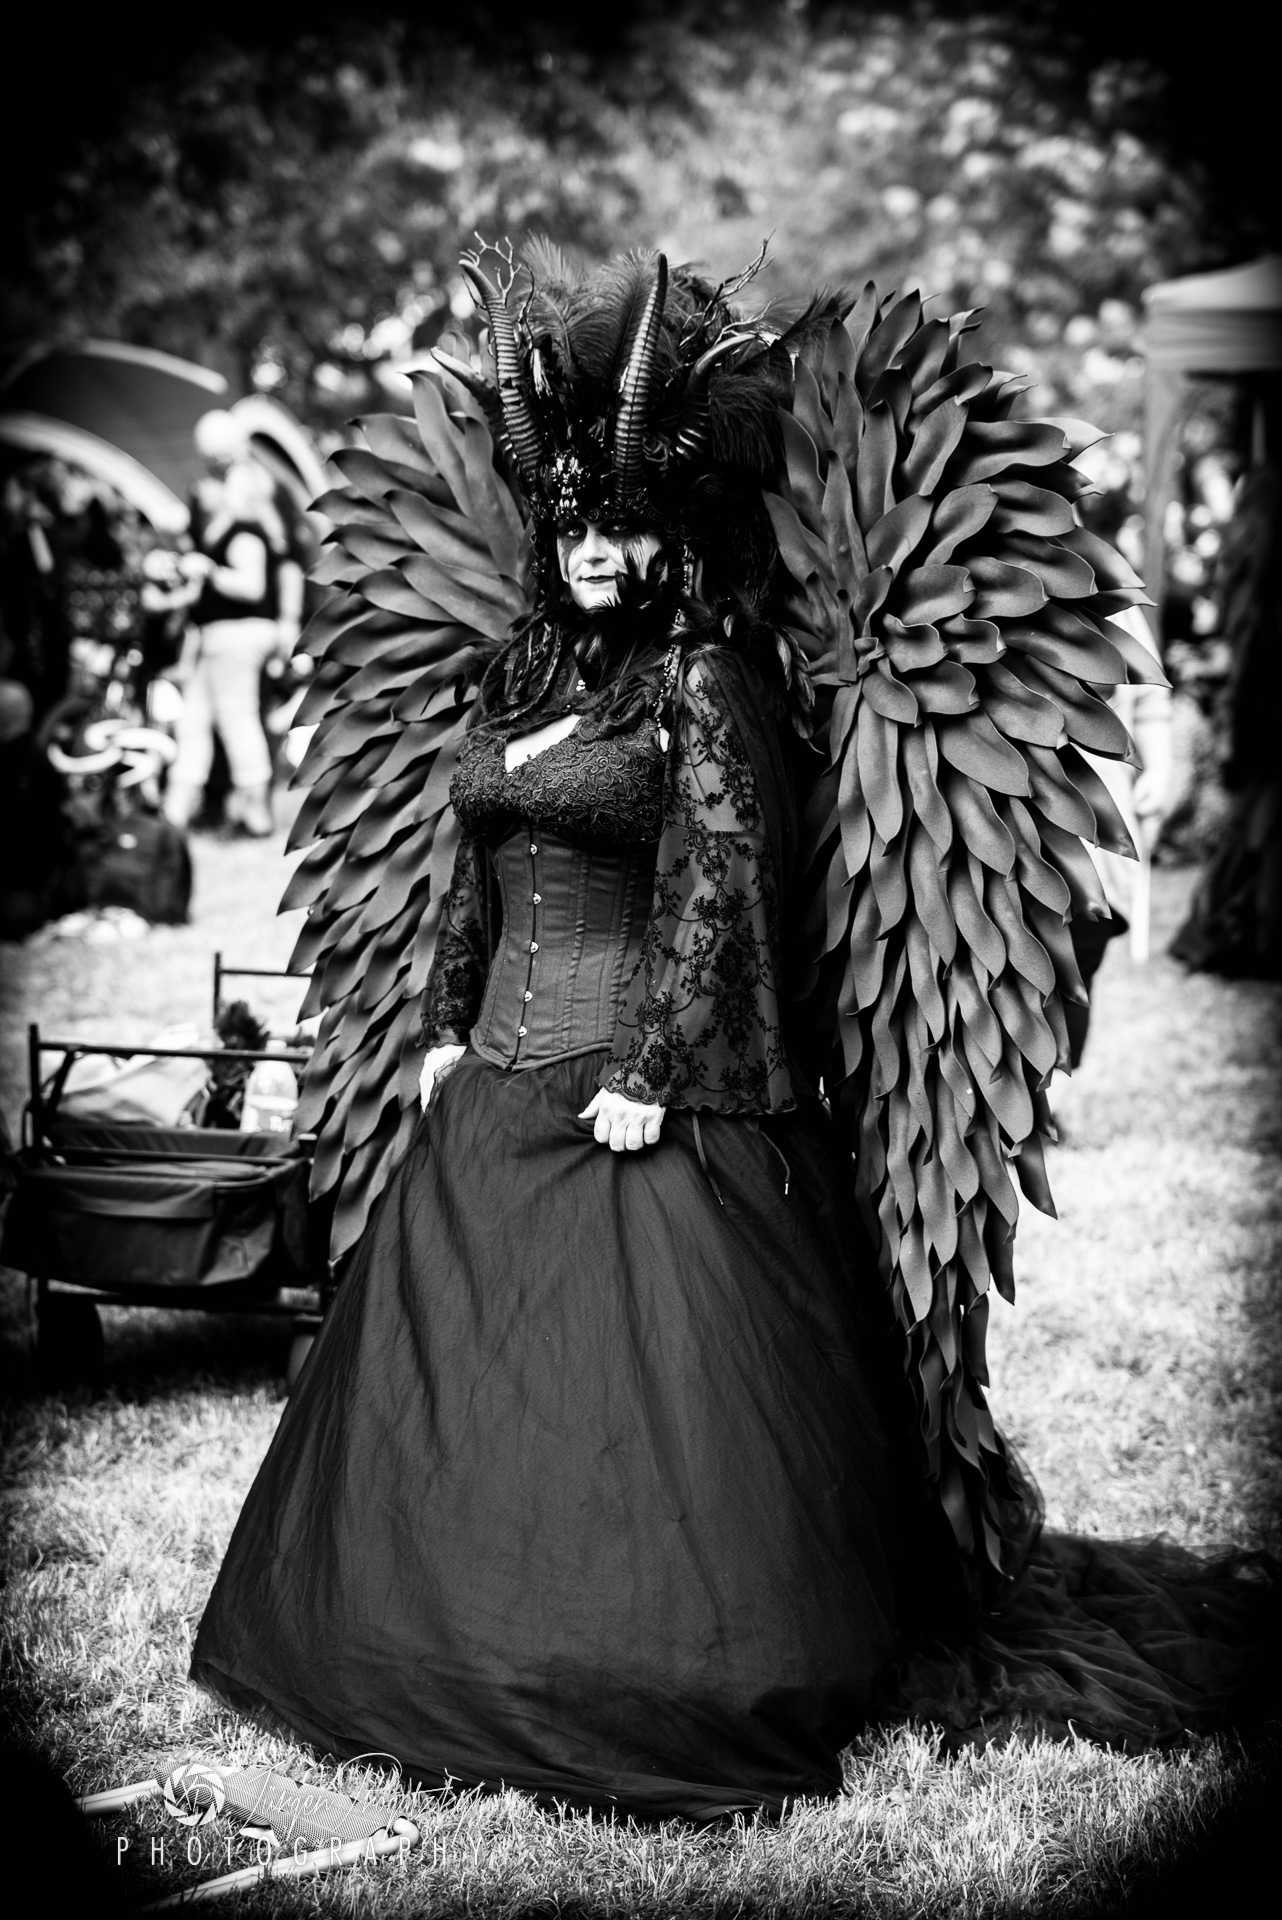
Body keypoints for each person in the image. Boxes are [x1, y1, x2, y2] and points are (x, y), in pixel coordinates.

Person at [191, 247, 1263, 1818]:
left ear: (673, 530)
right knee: (473, 1395)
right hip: (491, 1089)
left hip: (643, 1099)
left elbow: (727, 883)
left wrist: (652, 1067)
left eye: (624, 526)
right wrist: (435, 1023)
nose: (599, 553)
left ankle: (638, 1660)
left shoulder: (700, 683)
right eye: (576, 526)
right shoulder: (515, 672)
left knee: (649, 1422)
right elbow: (470, 867)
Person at [163, 416, 302, 836]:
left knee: (237, 719)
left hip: (239, 633)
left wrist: (288, 622)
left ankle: (256, 815)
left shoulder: (248, 525)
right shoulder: (229, 521)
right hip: (219, 634)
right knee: (197, 721)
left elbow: (263, 579)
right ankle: (175, 815)